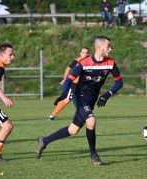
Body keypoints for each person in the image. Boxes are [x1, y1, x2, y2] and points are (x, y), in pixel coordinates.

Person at [36, 36, 123, 165]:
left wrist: (108, 94)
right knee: (91, 121)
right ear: (99, 48)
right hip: (80, 96)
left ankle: (44, 140)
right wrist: (64, 93)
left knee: (73, 130)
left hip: (91, 99)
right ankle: (94, 155)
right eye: (108, 46)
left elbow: (119, 82)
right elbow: (70, 79)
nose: (110, 48)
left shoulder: (110, 62)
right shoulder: (84, 62)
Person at [49, 47, 89, 120]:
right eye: (83, 53)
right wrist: (65, 79)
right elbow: (68, 69)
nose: (85, 54)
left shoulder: (90, 61)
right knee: (67, 100)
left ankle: (85, 115)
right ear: (80, 53)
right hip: (74, 84)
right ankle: (53, 114)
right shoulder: (77, 61)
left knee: (85, 100)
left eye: (86, 53)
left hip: (84, 85)